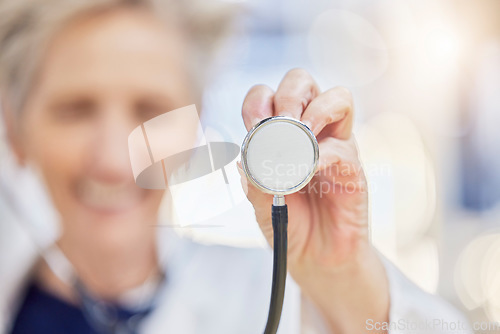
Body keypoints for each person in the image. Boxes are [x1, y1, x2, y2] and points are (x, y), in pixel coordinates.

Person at [0, 0, 471, 333]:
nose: (111, 160)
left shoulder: (273, 300)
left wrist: (345, 280)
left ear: (194, 122)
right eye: (74, 110)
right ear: (15, 129)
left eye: (150, 109)